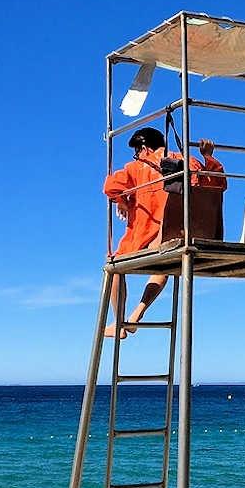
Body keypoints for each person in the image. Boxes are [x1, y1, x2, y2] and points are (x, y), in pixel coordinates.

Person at [102, 126, 225, 338]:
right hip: (188, 234)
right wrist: (208, 157)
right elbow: (217, 183)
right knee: (164, 265)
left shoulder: (138, 166)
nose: (136, 156)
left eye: (136, 152)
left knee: (113, 265)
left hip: (150, 234)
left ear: (144, 148)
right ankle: (137, 314)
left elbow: (110, 186)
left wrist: (121, 201)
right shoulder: (190, 161)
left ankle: (119, 322)